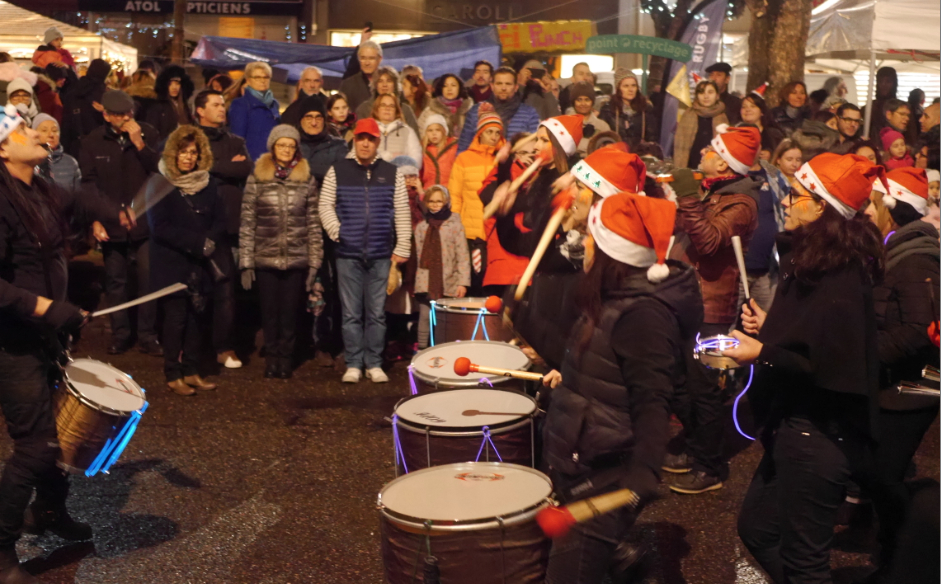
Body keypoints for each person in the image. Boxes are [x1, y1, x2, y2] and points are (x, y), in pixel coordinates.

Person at [729, 153, 887, 584]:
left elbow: (831, 366)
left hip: (818, 437)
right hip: (795, 426)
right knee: (757, 529)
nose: (786, 200)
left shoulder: (839, 275)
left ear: (820, 206)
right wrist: (770, 327)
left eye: (796, 194)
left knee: (806, 564)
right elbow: (809, 337)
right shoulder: (816, 263)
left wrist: (758, 352)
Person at [541, 191, 703, 584]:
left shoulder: (643, 315)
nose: (584, 244)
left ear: (614, 252)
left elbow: (654, 398)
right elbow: (590, 364)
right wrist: (524, 318)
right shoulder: (613, 296)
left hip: (606, 470)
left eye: (591, 238)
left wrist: (645, 469)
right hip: (585, 454)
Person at [0, 104, 131, 584]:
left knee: (60, 433)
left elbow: (78, 199)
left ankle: (49, 513)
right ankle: (0, 546)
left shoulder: (38, 188)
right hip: (11, 342)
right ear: (2, 149)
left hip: (46, 336)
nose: (35, 133)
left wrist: (113, 210)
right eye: (21, 129)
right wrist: (46, 308)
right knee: (35, 446)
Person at [664, 125, 762, 495]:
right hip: (684, 297)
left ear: (723, 160)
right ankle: (695, 447)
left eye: (711, 148)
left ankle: (710, 467)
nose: (703, 151)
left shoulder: (741, 202)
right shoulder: (714, 192)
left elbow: (706, 242)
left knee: (703, 388)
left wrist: (687, 193)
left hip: (711, 307)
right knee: (677, 380)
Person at [866, 167, 939, 581]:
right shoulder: (895, 249)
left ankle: (906, 552)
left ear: (891, 209)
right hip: (894, 383)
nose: (866, 210)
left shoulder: (915, 261)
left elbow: (918, 329)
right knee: (877, 470)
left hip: (913, 388)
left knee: (883, 473)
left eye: (873, 203)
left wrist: (865, 356)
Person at [319, 118, 411, 384]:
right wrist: (339, 232)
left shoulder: (392, 172)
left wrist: (402, 246)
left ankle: (374, 362)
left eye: (370, 139)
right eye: (361, 138)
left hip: (382, 253)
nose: (365, 143)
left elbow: (402, 212)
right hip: (348, 253)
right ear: (354, 140)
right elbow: (325, 205)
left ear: (377, 142)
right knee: (350, 313)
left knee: (377, 313)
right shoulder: (338, 170)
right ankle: (354, 363)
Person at [79, 90, 162, 356]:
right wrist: (98, 218)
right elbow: (89, 185)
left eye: (130, 113)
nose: (127, 118)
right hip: (111, 223)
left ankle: (148, 335)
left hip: (145, 221)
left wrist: (140, 144)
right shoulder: (93, 141)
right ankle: (121, 334)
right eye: (120, 115)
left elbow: (161, 172)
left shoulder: (148, 133)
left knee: (149, 279)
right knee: (116, 281)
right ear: (106, 115)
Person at [240, 125, 323, 379]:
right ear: (273, 148)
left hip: (296, 259)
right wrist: (246, 262)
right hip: (265, 258)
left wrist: (314, 264)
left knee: (289, 314)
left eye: (290, 145)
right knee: (270, 314)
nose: (286, 150)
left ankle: (285, 360)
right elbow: (247, 221)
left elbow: (313, 224)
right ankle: (271, 358)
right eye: (281, 145)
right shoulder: (257, 177)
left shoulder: (306, 179)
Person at [149, 126, 226, 395]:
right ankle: (173, 373)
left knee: (197, 318)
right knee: (176, 319)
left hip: (201, 262)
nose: (188, 157)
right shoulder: (159, 183)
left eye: (193, 152)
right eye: (183, 152)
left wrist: (211, 241)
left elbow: (219, 219)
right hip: (172, 262)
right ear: (173, 154)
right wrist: (197, 243)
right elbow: (159, 227)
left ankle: (192, 370)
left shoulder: (209, 183)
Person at [194, 90, 253, 370]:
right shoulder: (190, 138)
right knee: (195, 289)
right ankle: (193, 347)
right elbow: (192, 169)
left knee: (226, 289)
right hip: (196, 224)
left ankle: (223, 347)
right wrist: (224, 167)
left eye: (223, 104)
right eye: (216, 105)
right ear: (199, 110)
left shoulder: (235, 141)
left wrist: (211, 168)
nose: (222, 109)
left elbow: (245, 170)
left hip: (228, 226)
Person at [449, 104, 504, 292]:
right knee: (473, 280)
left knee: (493, 284)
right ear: (480, 132)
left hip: (496, 231)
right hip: (471, 232)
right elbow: (455, 195)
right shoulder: (464, 159)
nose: (494, 137)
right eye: (490, 131)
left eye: (497, 132)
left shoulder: (504, 159)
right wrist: (455, 225)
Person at [414, 185, 470, 348]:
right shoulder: (422, 227)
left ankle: (445, 349)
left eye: (439, 201)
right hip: (426, 280)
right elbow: (418, 256)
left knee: (445, 319)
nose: (435, 204)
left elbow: (463, 255)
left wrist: (462, 282)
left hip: (449, 281)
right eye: (431, 201)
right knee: (425, 316)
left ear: (446, 202)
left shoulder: (455, 225)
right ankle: (422, 349)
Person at [458, 66, 540, 154]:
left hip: (516, 165)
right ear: (492, 86)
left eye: (508, 84)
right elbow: (463, 146)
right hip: (481, 164)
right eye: (499, 84)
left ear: (516, 87)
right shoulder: (476, 110)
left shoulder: (529, 113)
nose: (503, 88)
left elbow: (534, 147)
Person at [228, 62, 280, 161]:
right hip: (253, 160)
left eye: (266, 77)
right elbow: (237, 137)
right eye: (257, 77)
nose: (262, 81)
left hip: (274, 160)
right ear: (248, 80)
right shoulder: (241, 104)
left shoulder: (274, 104)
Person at [598, 68, 659, 150]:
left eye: (633, 85)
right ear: (618, 88)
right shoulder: (608, 110)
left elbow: (652, 137)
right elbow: (602, 138)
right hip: (616, 155)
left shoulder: (646, 108)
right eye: (626, 86)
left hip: (639, 156)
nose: (630, 90)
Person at [673, 80, 728, 170]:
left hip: (715, 168)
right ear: (697, 96)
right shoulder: (688, 114)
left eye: (710, 92)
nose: (706, 96)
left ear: (717, 96)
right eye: (701, 92)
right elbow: (679, 144)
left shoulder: (723, 117)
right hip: (689, 166)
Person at [60, 58, 110, 157]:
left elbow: (66, 122)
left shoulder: (74, 90)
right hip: (99, 145)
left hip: (75, 144)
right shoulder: (105, 94)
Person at [296, 97, 347, 184]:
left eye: (318, 118)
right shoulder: (292, 145)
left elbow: (341, 175)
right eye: (309, 118)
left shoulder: (338, 146)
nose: (314, 123)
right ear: (301, 120)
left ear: (324, 120)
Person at [354, 66, 420, 134]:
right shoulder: (364, 109)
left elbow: (415, 137)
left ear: (395, 85)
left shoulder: (405, 110)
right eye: (380, 81)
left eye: (389, 81)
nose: (384, 85)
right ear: (375, 85)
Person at [417, 73, 474, 139]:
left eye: (453, 85)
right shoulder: (430, 111)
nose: (449, 89)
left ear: (459, 88)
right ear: (441, 89)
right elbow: (421, 132)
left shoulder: (470, 110)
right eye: (445, 86)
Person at [32, 114, 80, 193]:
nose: (51, 135)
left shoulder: (71, 162)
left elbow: (78, 196)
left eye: (54, 130)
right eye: (44, 130)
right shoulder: (29, 162)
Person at [146, 65, 194, 141]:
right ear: (164, 85)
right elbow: (152, 133)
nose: (174, 87)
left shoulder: (185, 107)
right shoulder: (157, 107)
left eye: (177, 83)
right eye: (170, 84)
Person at [371, 93, 421, 165]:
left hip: (399, 174)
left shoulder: (407, 131)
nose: (387, 108)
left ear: (396, 111)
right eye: (383, 105)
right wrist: (389, 156)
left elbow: (416, 158)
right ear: (376, 109)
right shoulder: (368, 130)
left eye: (391, 106)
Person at [738, 86, 784, 159]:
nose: (747, 110)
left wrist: (772, 155)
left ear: (762, 112)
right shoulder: (734, 132)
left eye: (752, 106)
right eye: (744, 107)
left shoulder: (774, 135)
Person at [567, 81, 611, 156]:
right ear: (573, 102)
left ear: (592, 102)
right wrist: (593, 145)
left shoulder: (602, 126)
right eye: (579, 100)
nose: (583, 104)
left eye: (587, 100)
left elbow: (608, 149)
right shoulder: (565, 124)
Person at [340, 40, 383, 112]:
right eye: (363, 58)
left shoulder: (388, 82)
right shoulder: (348, 85)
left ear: (380, 59)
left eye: (371, 58)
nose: (367, 63)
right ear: (358, 59)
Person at [420, 113, 458, 189]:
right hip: (429, 190)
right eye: (430, 130)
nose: (434, 133)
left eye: (437, 130)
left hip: (449, 190)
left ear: (444, 131)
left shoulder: (454, 147)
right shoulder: (422, 150)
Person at [866, 66, 898, 140]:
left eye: (888, 81)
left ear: (894, 84)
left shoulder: (900, 107)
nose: (883, 85)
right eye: (880, 81)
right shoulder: (869, 107)